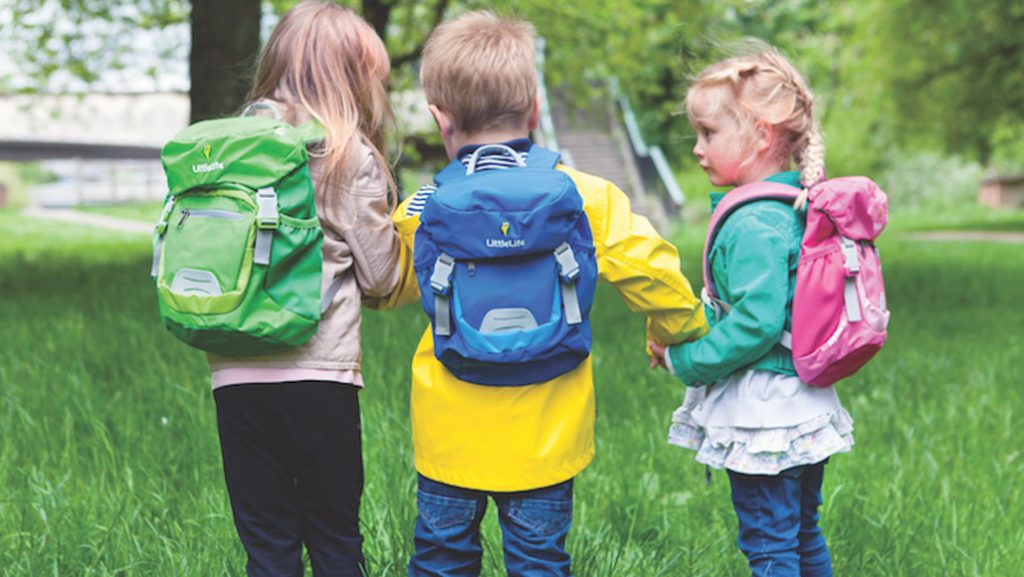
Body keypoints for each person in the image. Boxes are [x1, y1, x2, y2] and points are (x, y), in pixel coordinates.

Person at [368, 11, 708, 577]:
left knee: (441, 559)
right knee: (539, 562)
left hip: (450, 434)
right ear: (535, 111)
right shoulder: (585, 195)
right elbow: (653, 271)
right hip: (548, 435)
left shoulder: (427, 207)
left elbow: (387, 287)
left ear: (439, 118)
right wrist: (678, 334)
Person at [648, 44, 855, 577]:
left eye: (709, 133)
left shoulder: (752, 222)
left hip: (766, 416)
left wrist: (683, 359)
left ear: (761, 134)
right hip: (805, 406)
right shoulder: (792, 207)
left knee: (770, 548)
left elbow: (756, 324)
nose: (697, 148)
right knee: (802, 535)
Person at [208, 2, 399, 575]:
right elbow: (383, 277)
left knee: (266, 542)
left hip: (234, 371)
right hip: (320, 376)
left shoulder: (228, 147)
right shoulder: (346, 155)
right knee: (335, 535)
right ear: (351, 81)